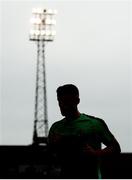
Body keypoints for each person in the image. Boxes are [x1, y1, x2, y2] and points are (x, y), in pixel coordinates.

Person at [48, 84, 121, 178]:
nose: (62, 106)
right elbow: (49, 157)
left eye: (66, 102)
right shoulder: (56, 128)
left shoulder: (94, 123)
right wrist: (55, 146)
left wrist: (95, 153)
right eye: (60, 102)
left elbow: (115, 148)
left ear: (77, 101)